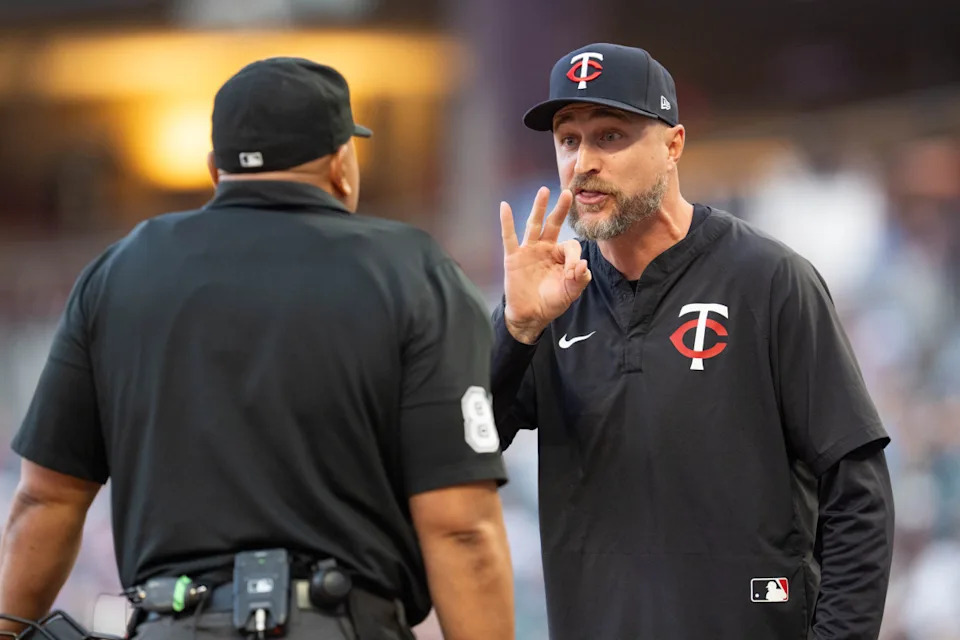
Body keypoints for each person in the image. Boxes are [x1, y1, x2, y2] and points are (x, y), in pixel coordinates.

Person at [0, 57, 515, 640]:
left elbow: (45, 499)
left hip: (170, 626)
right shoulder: (412, 272)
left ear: (215, 168)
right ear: (341, 163)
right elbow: (460, 527)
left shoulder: (119, 272)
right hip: (339, 623)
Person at [493, 43, 894, 639]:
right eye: (568, 139)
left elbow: (859, 499)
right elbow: (462, 450)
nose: (582, 164)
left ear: (674, 144)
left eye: (610, 136)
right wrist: (515, 334)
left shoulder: (768, 279)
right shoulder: (548, 300)